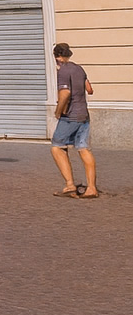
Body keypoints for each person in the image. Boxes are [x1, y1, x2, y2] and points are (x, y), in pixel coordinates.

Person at [49, 43, 98, 199]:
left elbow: (65, 93)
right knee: (83, 149)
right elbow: (89, 89)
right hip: (84, 115)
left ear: (57, 57)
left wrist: (58, 112)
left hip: (70, 116)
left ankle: (70, 185)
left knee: (57, 147)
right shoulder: (79, 68)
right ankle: (91, 188)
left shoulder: (63, 70)